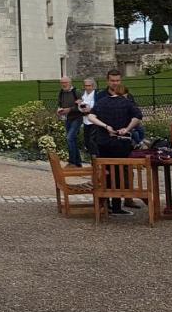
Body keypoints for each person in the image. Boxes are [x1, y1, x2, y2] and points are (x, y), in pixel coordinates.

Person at [84, 82, 143, 216]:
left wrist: (105, 126)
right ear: (125, 93)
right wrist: (127, 129)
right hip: (120, 143)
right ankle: (116, 206)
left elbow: (91, 117)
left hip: (103, 142)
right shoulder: (127, 103)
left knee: (107, 173)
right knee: (119, 174)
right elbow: (138, 117)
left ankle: (107, 205)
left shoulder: (102, 102)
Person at [55, 76, 82, 166]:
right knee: (72, 140)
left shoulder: (76, 92)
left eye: (65, 82)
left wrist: (69, 109)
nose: (64, 84)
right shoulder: (61, 92)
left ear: (70, 82)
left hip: (77, 117)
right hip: (67, 118)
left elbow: (82, 106)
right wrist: (59, 110)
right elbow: (59, 103)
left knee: (69, 138)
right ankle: (77, 163)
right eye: (62, 83)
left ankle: (72, 162)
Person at [78, 78, 99, 159]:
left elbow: (99, 107)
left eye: (89, 86)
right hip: (86, 121)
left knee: (92, 141)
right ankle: (92, 159)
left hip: (94, 121)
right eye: (86, 86)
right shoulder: (83, 96)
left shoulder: (97, 95)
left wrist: (90, 109)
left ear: (93, 86)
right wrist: (81, 108)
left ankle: (96, 159)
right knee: (87, 141)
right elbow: (80, 107)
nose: (87, 88)